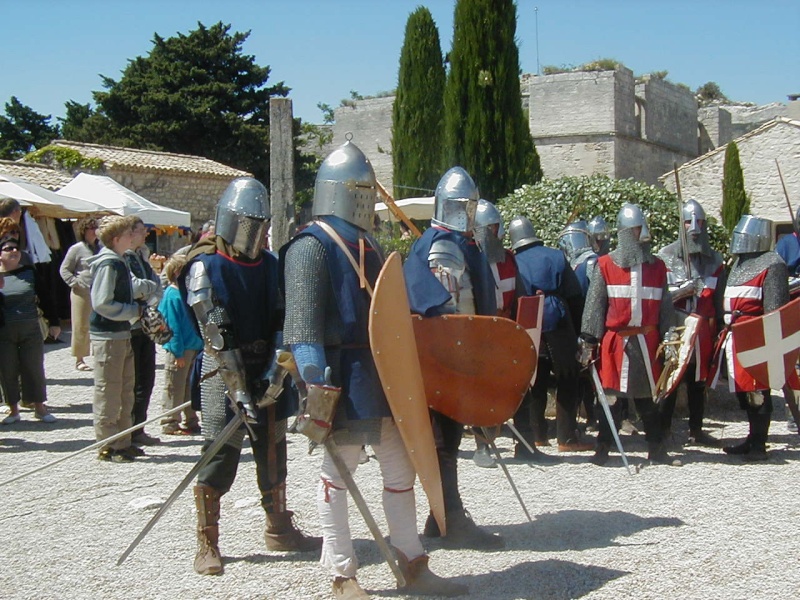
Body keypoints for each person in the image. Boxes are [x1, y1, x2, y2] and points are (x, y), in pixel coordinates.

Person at [283, 142, 466, 599]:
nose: (368, 198)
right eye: (361, 189)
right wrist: (314, 378)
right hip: (340, 372)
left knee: (400, 468)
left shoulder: (369, 243)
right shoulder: (310, 246)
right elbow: (302, 326)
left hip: (381, 374)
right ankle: (343, 574)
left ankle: (412, 561)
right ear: (342, 191)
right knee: (339, 473)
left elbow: (390, 310)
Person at [182, 177, 319, 577]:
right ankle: (207, 540)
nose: (252, 233)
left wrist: (276, 375)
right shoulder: (204, 266)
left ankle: (278, 527)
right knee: (218, 455)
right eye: (245, 222)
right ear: (227, 220)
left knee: (273, 451)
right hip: (220, 373)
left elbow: (286, 317)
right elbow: (215, 334)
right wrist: (240, 389)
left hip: (268, 369)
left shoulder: (273, 264)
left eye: (258, 223)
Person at [403, 166, 503, 551]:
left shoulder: (455, 242)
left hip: (454, 356)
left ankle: (438, 516)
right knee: (444, 440)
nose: (474, 212)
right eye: (470, 206)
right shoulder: (443, 246)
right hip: (444, 357)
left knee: (448, 438)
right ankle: (453, 518)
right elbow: (444, 312)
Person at [579, 203, 679, 466]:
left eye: (640, 228)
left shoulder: (657, 267)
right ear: (624, 232)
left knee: (648, 399)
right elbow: (594, 308)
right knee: (609, 399)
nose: (640, 233)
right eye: (634, 229)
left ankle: (656, 448)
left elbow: (666, 307)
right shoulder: (605, 265)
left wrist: (669, 338)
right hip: (616, 342)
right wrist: (589, 341)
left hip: (647, 341)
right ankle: (603, 446)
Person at [711, 215, 790, 461]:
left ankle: (759, 444)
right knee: (742, 389)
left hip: (757, 337)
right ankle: (751, 437)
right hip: (734, 336)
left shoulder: (772, 263)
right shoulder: (736, 265)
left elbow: (775, 310)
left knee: (758, 391)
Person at [510, 216, 591, 454]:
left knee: (535, 377)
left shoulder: (514, 262)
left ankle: (538, 435)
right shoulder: (555, 256)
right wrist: (577, 331)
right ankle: (566, 437)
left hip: (527, 318)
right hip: (557, 318)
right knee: (568, 377)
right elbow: (574, 294)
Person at [657, 199, 725, 446]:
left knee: (698, 382)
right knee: (671, 380)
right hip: (676, 328)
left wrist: (720, 326)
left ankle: (696, 430)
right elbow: (658, 297)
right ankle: (663, 431)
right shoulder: (664, 257)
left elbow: (718, 301)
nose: (695, 228)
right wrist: (680, 291)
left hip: (703, 332)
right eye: (688, 221)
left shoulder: (715, 261)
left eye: (700, 222)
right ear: (680, 224)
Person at [85, 215, 142, 461]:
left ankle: (123, 439)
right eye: (129, 234)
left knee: (125, 389)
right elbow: (101, 302)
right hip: (107, 336)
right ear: (117, 238)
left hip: (120, 333)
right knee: (109, 390)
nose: (133, 237)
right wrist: (132, 312)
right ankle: (107, 444)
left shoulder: (121, 261)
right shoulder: (108, 264)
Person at [470, 199, 517, 469]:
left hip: (506, 332)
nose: (497, 232)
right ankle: (482, 444)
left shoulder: (509, 259)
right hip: (481, 333)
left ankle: (509, 433)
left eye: (498, 226)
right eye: (492, 227)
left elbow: (519, 296)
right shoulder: (470, 259)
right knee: (480, 392)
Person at [0, 217, 58, 425]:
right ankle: (13, 409)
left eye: (16, 247)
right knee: (7, 370)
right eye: (8, 248)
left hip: (30, 328)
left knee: (34, 367)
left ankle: (40, 407)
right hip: (4, 331)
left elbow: (45, 296)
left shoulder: (29, 272)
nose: (14, 251)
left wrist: (54, 321)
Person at [124, 217, 163, 447]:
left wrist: (151, 288)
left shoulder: (142, 257)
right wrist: (151, 288)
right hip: (130, 326)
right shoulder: (124, 258)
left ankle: (139, 426)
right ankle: (127, 430)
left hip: (145, 326)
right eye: (141, 231)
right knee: (132, 380)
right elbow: (136, 286)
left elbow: (157, 284)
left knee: (146, 380)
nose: (145, 234)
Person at [557, 220, 599, 429]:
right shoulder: (571, 265)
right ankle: (588, 415)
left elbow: (597, 296)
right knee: (581, 374)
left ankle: (600, 417)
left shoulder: (592, 262)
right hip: (576, 324)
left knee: (595, 372)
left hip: (592, 325)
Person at [158, 254, 202, 435]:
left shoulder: (186, 293)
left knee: (189, 385)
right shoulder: (172, 295)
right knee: (174, 386)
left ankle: (191, 419)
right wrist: (177, 353)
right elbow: (172, 327)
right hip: (180, 348)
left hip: (193, 346)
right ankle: (170, 421)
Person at [59, 216, 101, 371]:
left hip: (98, 291)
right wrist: (74, 283)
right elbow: (64, 269)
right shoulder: (76, 249)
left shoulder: (100, 248)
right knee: (81, 325)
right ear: (84, 231)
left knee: (97, 324)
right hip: (81, 292)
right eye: (91, 228)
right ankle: (79, 359)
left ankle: (98, 355)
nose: (94, 231)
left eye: (96, 228)